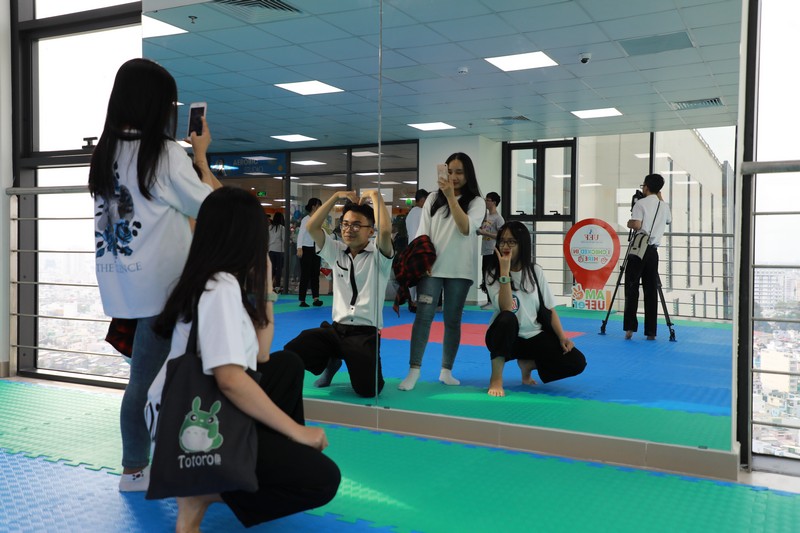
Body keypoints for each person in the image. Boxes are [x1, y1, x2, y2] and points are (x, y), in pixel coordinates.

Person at [151, 187, 340, 532]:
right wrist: (297, 432)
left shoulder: (214, 279)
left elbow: (262, 354)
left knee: (286, 364)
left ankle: (247, 461)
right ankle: (205, 491)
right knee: (322, 480)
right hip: (186, 424)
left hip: (187, 407)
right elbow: (230, 379)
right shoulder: (219, 287)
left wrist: (265, 289)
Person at [88, 58, 222, 492]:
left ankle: (140, 467)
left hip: (124, 285)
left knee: (145, 381)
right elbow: (212, 207)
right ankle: (143, 469)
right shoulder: (164, 154)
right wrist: (200, 155)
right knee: (156, 383)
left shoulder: (105, 152)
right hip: (164, 290)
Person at [285, 189, 393, 397]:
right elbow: (311, 226)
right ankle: (331, 361)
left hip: (364, 334)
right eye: (345, 224)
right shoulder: (336, 250)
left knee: (369, 391)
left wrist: (375, 196)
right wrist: (335, 197)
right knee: (294, 348)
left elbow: (386, 231)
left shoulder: (379, 256)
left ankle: (348, 358)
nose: (349, 229)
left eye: (356, 225)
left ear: (370, 231)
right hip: (336, 330)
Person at [398, 153, 485, 391]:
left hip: (460, 270)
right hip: (431, 269)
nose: (454, 177)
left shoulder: (476, 202)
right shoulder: (433, 198)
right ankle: (414, 370)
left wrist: (451, 197)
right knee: (423, 317)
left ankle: (446, 370)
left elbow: (465, 228)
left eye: (460, 172)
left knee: (452, 321)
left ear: (468, 175)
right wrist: (420, 260)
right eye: (451, 171)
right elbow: (422, 232)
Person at [484, 221, 587, 397]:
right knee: (508, 318)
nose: (505, 246)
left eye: (511, 242)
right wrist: (504, 272)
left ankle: (528, 365)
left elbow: (549, 309)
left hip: (533, 336)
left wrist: (562, 337)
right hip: (505, 338)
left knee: (576, 362)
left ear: (522, 244)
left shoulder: (535, 271)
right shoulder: (493, 272)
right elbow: (506, 307)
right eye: (502, 241)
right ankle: (496, 379)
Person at [624, 173, 672, 340]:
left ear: (646, 187)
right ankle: (651, 332)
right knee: (651, 290)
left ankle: (630, 328)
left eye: (643, 185)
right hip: (653, 252)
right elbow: (668, 220)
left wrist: (629, 222)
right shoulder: (664, 206)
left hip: (639, 250)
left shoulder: (640, 203)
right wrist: (660, 197)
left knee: (632, 287)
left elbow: (637, 225)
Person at [477, 191, 504, 309]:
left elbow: (501, 236)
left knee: (492, 276)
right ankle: (489, 300)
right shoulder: (486, 217)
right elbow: (482, 230)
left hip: (493, 251)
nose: (486, 202)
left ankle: (493, 301)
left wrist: (485, 233)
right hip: (485, 250)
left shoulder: (498, 218)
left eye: (488, 200)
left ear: (494, 202)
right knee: (485, 274)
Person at [404, 189, 429, 312]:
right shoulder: (421, 212)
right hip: (419, 248)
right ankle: (417, 303)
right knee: (421, 278)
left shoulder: (411, 213)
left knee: (413, 277)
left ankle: (412, 302)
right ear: (422, 200)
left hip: (411, 248)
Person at [297, 197, 324, 307]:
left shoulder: (318, 219)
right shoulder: (306, 219)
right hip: (306, 248)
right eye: (319, 205)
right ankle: (302, 300)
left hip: (316, 249)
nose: (320, 208)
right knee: (305, 274)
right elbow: (301, 234)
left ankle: (316, 298)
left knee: (315, 274)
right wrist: (299, 248)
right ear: (314, 206)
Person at [268, 212, 285, 292]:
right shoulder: (282, 228)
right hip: (279, 251)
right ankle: (277, 286)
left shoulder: (269, 227)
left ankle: (270, 286)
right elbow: (284, 240)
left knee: (271, 269)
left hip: (271, 250)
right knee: (279, 269)